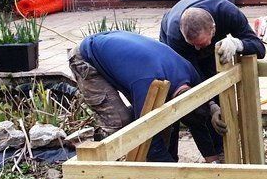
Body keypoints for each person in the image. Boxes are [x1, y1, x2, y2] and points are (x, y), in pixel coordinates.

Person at [68, 30, 217, 163]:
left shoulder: (190, 73)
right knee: (120, 120)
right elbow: (145, 132)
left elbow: (197, 121)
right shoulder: (148, 84)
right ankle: (105, 174)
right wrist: (169, 176)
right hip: (87, 58)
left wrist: (213, 159)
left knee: (163, 119)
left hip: (114, 48)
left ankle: (159, 169)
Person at [159, 0, 266, 153]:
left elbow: (260, 48)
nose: (197, 49)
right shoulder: (176, 35)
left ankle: (222, 150)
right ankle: (172, 160)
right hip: (173, 39)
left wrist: (238, 44)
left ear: (214, 29)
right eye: (193, 45)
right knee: (189, 103)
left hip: (211, 38)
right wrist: (211, 106)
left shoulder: (227, 12)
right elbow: (191, 78)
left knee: (217, 86)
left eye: (201, 44)